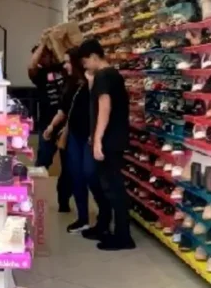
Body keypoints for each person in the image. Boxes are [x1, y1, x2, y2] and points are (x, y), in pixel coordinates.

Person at [42, 46, 110, 233]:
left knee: (90, 174)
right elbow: (64, 109)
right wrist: (51, 127)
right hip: (74, 135)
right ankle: (83, 218)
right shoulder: (70, 83)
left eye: (67, 62)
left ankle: (105, 213)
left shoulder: (93, 81)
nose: (65, 66)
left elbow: (101, 108)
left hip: (90, 136)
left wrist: (96, 136)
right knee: (76, 175)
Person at [79, 38, 135, 251]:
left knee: (113, 187)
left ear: (94, 56)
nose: (85, 66)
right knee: (110, 185)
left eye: (85, 61)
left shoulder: (104, 75)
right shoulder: (111, 75)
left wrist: (98, 139)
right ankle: (112, 229)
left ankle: (123, 237)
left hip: (109, 140)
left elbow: (104, 107)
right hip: (114, 138)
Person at [28, 35, 71, 212]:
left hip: (67, 125)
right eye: (40, 57)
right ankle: (34, 198)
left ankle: (64, 202)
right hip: (47, 125)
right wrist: (43, 44)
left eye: (45, 55)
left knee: (68, 167)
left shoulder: (63, 68)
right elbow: (32, 65)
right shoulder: (39, 75)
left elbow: (63, 58)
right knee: (42, 162)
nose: (42, 59)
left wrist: (51, 43)